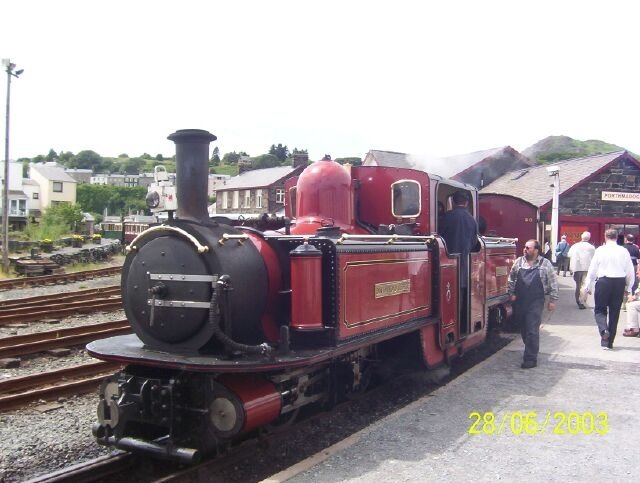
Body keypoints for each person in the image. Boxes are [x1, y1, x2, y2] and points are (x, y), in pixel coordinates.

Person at [507, 239, 558, 369]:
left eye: (528, 247)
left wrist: (553, 300)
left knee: (532, 329)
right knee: (523, 328)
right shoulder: (519, 262)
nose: (525, 249)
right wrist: (511, 292)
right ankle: (530, 347)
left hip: (536, 300)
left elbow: (553, 282)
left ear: (536, 250)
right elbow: (512, 278)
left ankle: (530, 358)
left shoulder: (545, 264)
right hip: (520, 300)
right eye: (524, 247)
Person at [582, 229, 635, 350]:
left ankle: (603, 330)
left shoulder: (600, 250)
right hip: (619, 282)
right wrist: (629, 287)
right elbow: (630, 270)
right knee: (614, 312)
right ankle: (609, 343)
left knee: (600, 310)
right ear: (617, 237)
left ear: (605, 237)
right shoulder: (623, 251)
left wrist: (588, 285)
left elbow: (593, 268)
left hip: (604, 281)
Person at [439, 191, 479, 334]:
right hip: (464, 266)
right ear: (467, 203)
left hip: (444, 266)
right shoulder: (472, 220)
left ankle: (448, 327)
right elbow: (475, 243)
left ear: (453, 202)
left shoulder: (445, 218)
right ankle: (459, 327)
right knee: (460, 298)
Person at [567, 231, 595, 309]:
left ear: (581, 237)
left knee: (578, 285)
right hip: (587, 268)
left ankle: (578, 300)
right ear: (589, 238)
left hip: (577, 268)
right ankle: (582, 301)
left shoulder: (575, 246)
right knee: (584, 285)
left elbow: (569, 254)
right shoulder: (591, 247)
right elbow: (594, 258)